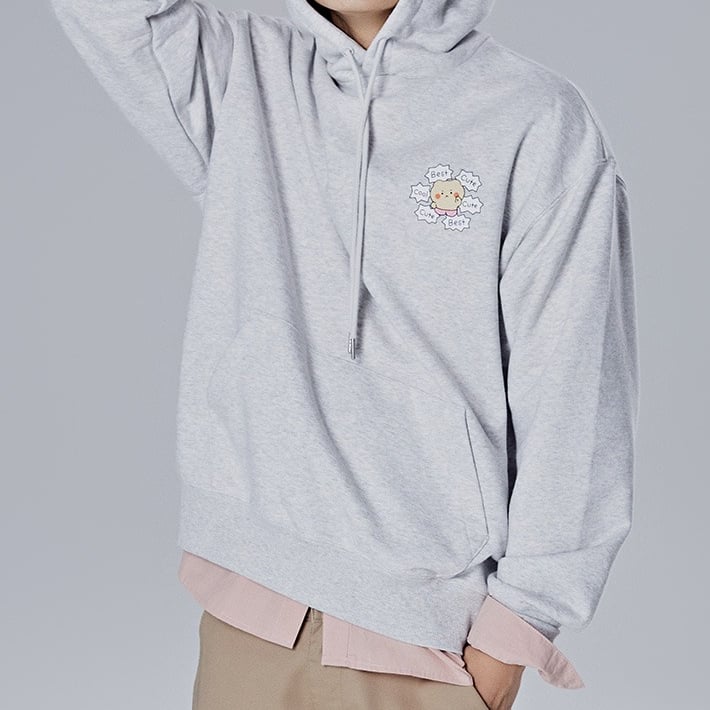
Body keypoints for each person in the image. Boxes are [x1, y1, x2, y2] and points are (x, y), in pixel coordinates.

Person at [49, 1, 640, 708]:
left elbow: (576, 394)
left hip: (430, 637)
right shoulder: (243, 76)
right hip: (252, 607)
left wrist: (518, 626)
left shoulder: (534, 118)